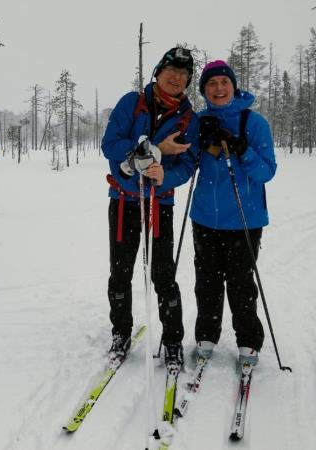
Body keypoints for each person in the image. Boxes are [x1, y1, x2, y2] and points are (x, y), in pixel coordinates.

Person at [101, 47, 198, 367]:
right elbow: (110, 145)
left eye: (183, 75)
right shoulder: (132, 103)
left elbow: (187, 164)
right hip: (124, 202)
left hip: (159, 203)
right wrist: (154, 149)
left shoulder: (188, 118)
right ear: (157, 72)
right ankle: (121, 332)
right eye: (171, 71)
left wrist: (164, 174)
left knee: (163, 275)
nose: (176, 78)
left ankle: (172, 339)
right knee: (121, 272)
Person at [189, 60, 277, 366]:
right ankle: (206, 335)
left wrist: (242, 149)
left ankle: (248, 341)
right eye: (211, 84)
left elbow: (267, 172)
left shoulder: (254, 123)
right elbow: (187, 162)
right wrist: (198, 143)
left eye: (224, 82)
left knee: (241, 284)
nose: (218, 88)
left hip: (244, 219)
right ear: (204, 91)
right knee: (207, 282)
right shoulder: (198, 121)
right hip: (204, 218)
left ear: (233, 86)